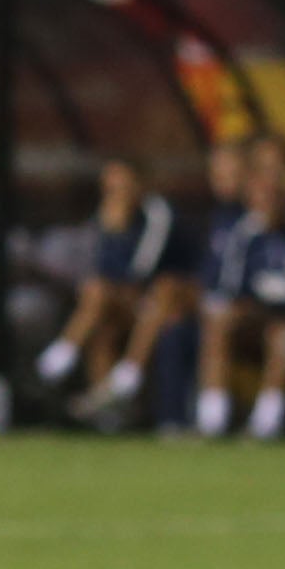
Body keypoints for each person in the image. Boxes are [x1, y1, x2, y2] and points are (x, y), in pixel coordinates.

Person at [197, 134, 285, 440]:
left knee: (281, 334)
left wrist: (281, 302)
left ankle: (266, 422)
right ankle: (212, 418)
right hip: (258, 312)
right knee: (221, 325)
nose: (266, 202)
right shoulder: (245, 230)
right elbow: (232, 285)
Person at [37, 155, 176, 397]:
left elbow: (140, 270)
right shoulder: (103, 216)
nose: (115, 193)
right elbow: (93, 267)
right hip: (118, 301)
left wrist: (117, 234)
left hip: (156, 302)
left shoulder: (157, 213)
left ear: (139, 185)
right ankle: (106, 403)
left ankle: (63, 360)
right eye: (110, 187)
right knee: (102, 327)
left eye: (122, 186)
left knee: (101, 292)